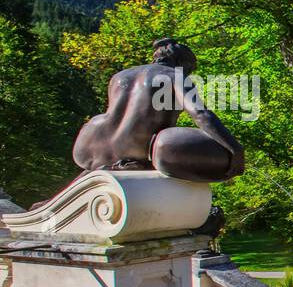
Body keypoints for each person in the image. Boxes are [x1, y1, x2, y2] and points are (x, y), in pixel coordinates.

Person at [70, 38, 245, 183]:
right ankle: (138, 161)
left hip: (93, 149)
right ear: (182, 64)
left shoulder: (119, 76)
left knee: (101, 119)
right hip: (138, 149)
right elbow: (200, 114)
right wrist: (234, 149)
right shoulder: (174, 76)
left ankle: (120, 163)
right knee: (175, 143)